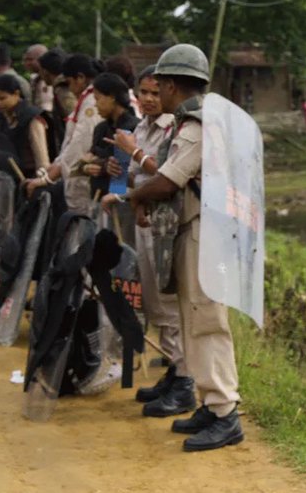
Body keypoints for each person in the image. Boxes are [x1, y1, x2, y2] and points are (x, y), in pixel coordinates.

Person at [122, 44, 244, 452]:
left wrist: (135, 196)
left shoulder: (197, 124)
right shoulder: (201, 119)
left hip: (205, 233)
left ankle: (226, 412)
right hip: (197, 230)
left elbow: (170, 180)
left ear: (171, 85)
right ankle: (212, 402)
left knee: (208, 321)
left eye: (162, 87)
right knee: (194, 319)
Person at [103, 66, 185, 405]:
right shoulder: (139, 127)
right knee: (153, 302)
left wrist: (134, 152)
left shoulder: (175, 129)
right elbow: (131, 177)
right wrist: (116, 179)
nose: (149, 99)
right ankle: (174, 368)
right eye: (144, 93)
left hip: (167, 225)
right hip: (144, 220)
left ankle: (185, 378)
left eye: (155, 93)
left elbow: (166, 174)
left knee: (169, 303)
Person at [25, 54, 104, 215]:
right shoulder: (86, 100)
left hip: (106, 181)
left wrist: (48, 178)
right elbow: (73, 142)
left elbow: (79, 146)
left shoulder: (93, 106)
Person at [83, 72, 139, 207]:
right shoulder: (101, 128)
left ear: (112, 97)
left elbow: (120, 172)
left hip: (120, 201)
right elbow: (87, 158)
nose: (95, 105)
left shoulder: (132, 128)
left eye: (98, 99)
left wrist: (100, 165)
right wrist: (87, 167)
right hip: (98, 197)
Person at [0, 74, 50, 179]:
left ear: (16, 94)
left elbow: (41, 158)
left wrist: (40, 181)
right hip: (7, 177)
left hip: (29, 177)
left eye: (2, 98)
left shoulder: (32, 118)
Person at [38, 49, 77, 122]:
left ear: (45, 72)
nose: (39, 74)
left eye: (39, 70)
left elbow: (73, 116)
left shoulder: (62, 89)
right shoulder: (67, 84)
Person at [23, 44, 54, 114]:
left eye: (30, 59)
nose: (26, 63)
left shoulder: (50, 79)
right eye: (25, 60)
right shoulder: (34, 79)